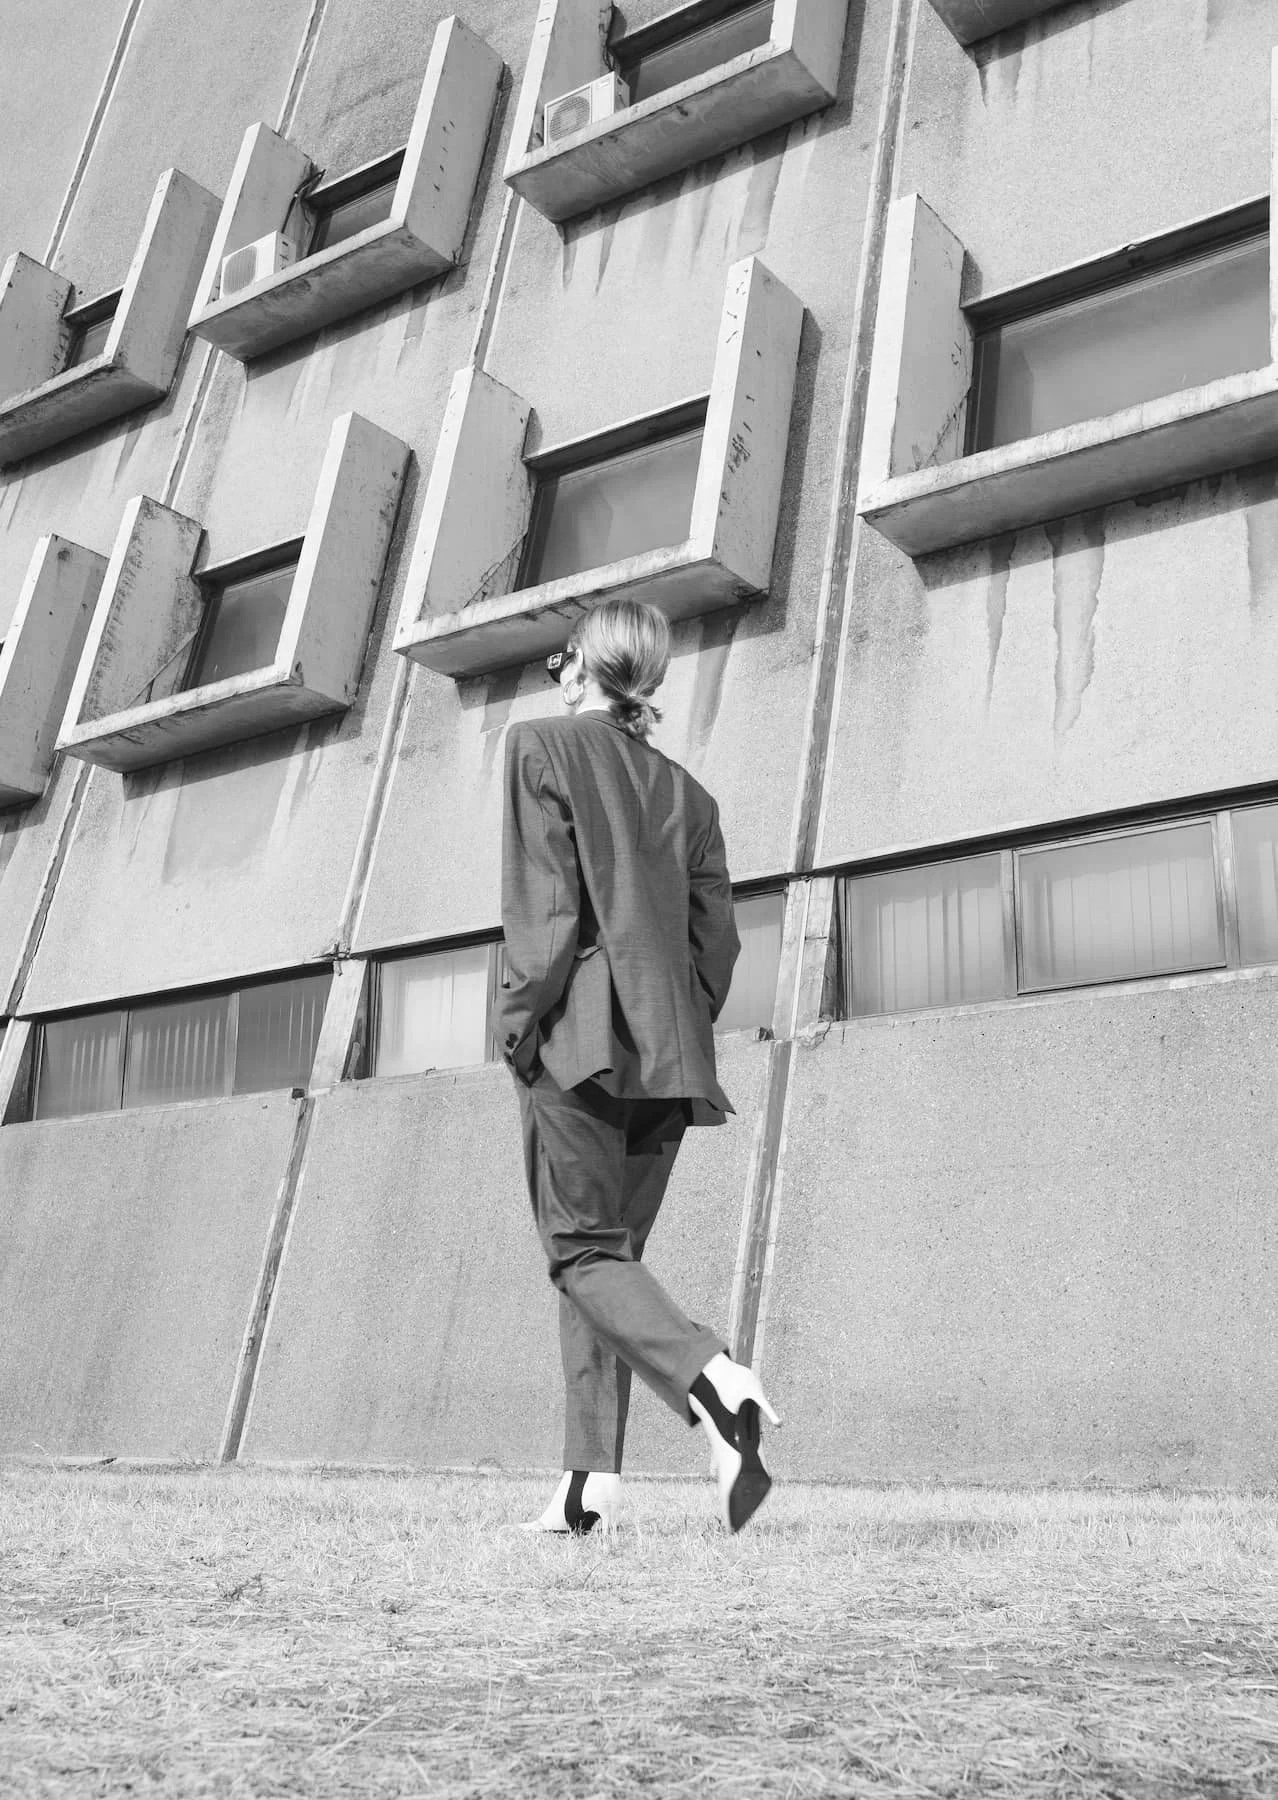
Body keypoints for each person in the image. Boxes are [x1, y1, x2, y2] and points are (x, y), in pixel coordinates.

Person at [496, 595, 781, 1537]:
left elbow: (543, 920)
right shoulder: (690, 797)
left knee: (580, 1253)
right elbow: (719, 949)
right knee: (608, 1263)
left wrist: (516, 1029)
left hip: (576, 1041)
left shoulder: (539, 748)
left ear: (580, 665)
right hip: (671, 1053)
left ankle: (714, 1381)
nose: (552, 677)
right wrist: (676, 1027)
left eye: (556, 663)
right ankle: (588, 1488)